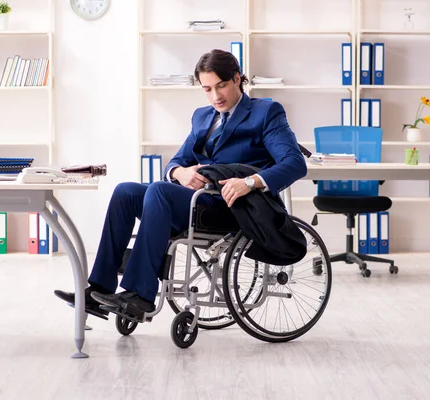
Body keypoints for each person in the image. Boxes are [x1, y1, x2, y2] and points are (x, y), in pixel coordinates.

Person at [54, 49, 307, 319]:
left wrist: (249, 182)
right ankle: (99, 287)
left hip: (232, 206)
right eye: (207, 89)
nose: (215, 97)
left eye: (221, 86)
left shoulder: (266, 112)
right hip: (195, 199)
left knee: (159, 192)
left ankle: (140, 294)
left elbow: (294, 163)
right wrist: (178, 173)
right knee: (125, 191)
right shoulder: (202, 116)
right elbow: (176, 161)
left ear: (237, 79)